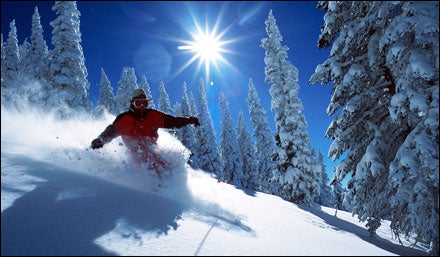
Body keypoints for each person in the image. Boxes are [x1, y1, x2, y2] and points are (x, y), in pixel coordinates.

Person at [91, 88, 200, 173]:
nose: (142, 106)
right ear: (133, 103)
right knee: (149, 169)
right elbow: (111, 131)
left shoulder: (152, 116)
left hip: (152, 150)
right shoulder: (125, 119)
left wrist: (189, 120)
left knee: (167, 168)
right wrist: (100, 140)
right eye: (139, 103)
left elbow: (173, 121)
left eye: (145, 103)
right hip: (136, 156)